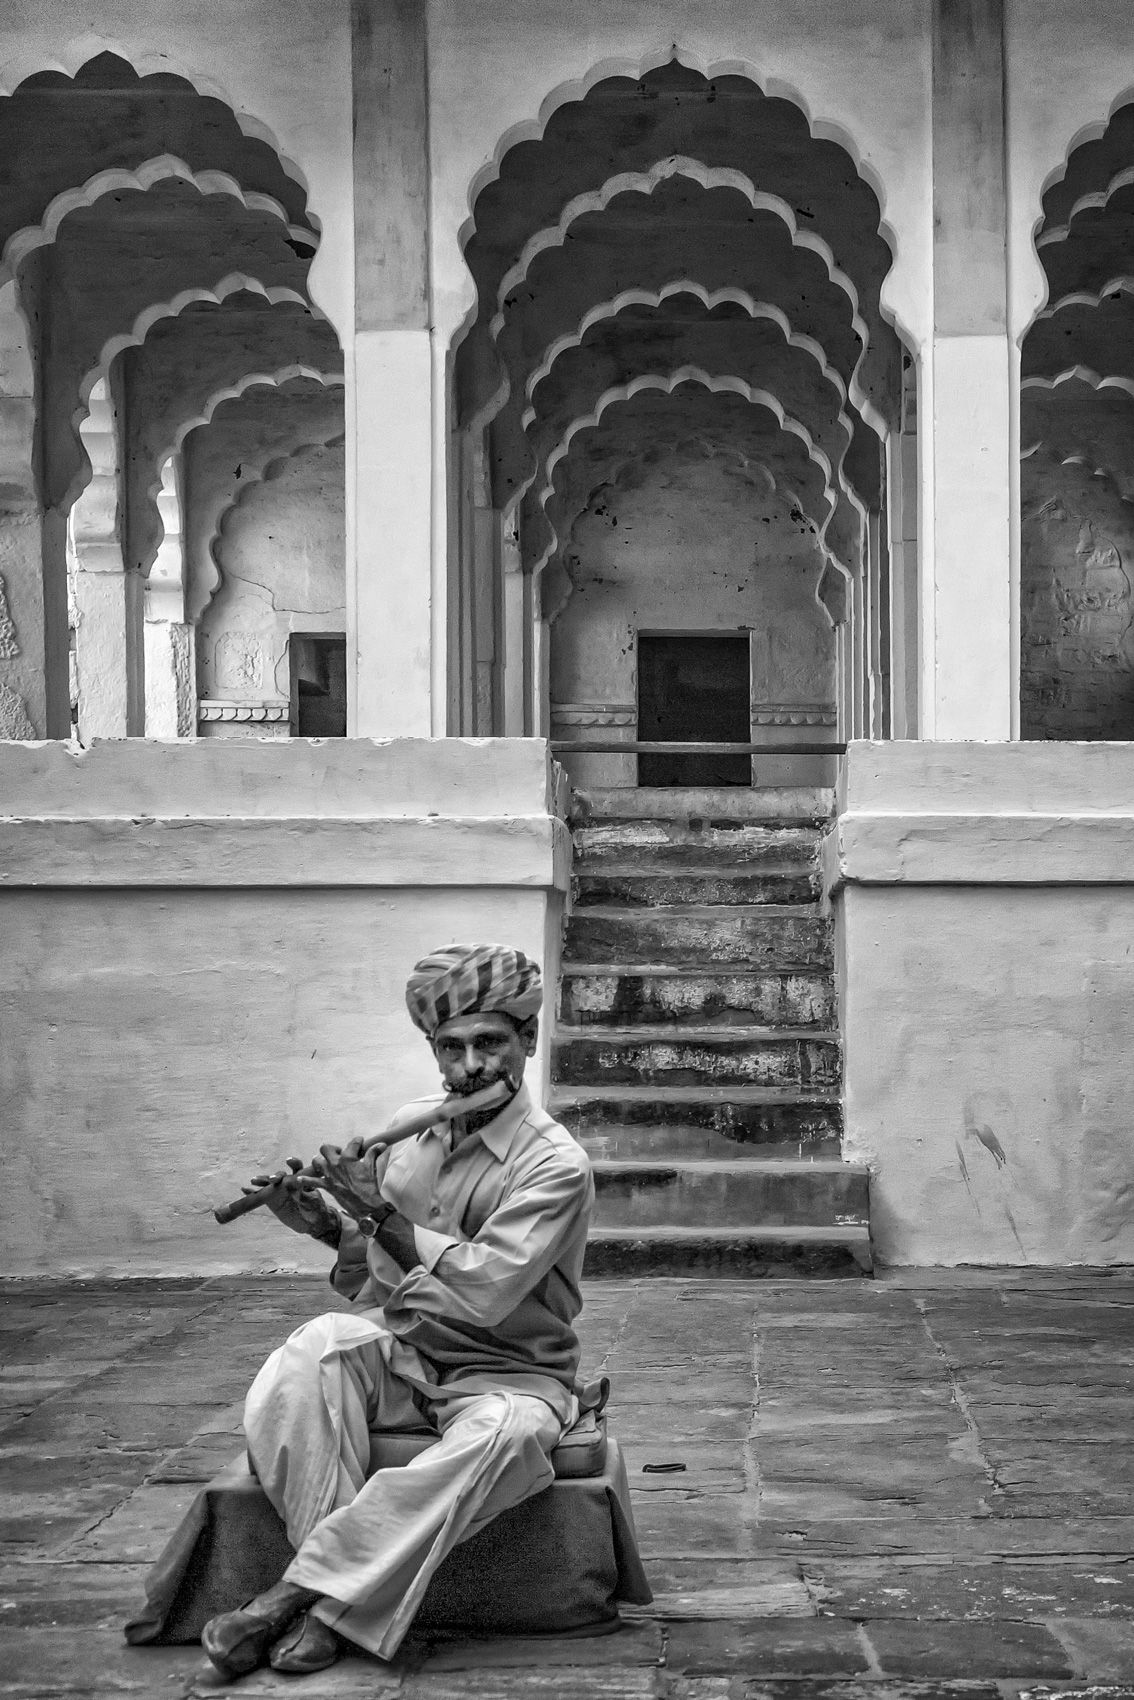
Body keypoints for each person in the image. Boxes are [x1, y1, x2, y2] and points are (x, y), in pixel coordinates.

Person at [199, 943, 595, 1680]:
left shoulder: (555, 1163)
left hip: (510, 1374)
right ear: (436, 1054)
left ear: (528, 1042)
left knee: (509, 1437)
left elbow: (482, 1290)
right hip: (410, 1356)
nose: (472, 1066)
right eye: (453, 1049)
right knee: (312, 1349)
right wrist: (322, 1221)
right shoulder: (412, 1132)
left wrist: (377, 1213)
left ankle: (297, 1597)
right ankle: (338, 1599)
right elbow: (381, 1274)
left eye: (491, 1044)